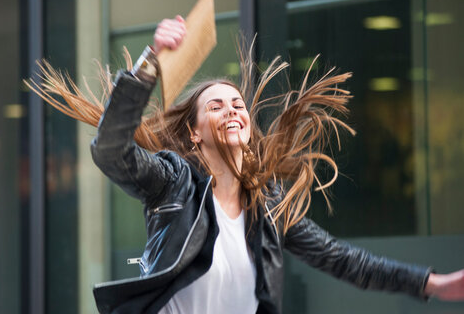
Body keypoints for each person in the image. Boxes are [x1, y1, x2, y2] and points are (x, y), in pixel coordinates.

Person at [29, 16, 464, 314]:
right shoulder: (173, 184)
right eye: (215, 106)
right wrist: (149, 64)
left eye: (237, 104)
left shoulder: (267, 206)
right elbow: (109, 150)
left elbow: (342, 259)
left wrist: (433, 284)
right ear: (195, 132)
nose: (232, 110)